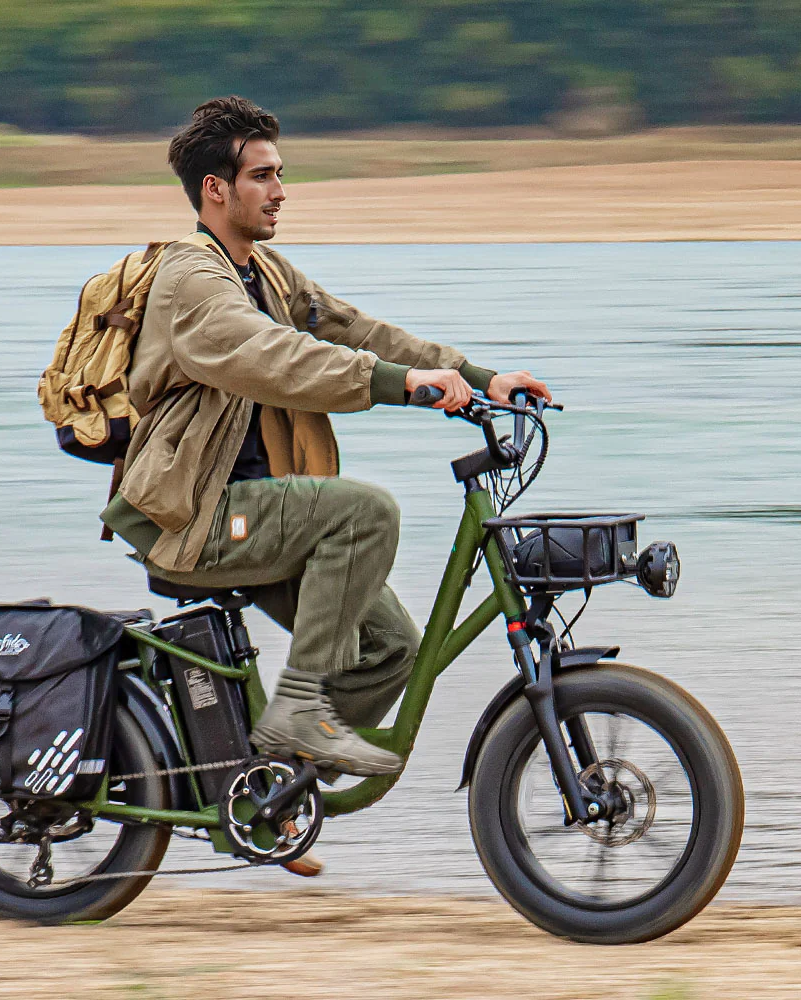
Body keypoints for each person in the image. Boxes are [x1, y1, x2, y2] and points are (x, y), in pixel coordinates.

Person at [101, 95, 550, 784]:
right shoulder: (193, 278)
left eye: (280, 174)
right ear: (215, 189)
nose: (281, 192)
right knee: (365, 512)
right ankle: (299, 712)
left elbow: (352, 330)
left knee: (393, 646)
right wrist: (403, 385)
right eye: (262, 177)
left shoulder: (264, 272)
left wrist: (478, 377)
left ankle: (266, 790)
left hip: (252, 506)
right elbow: (277, 357)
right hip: (191, 515)